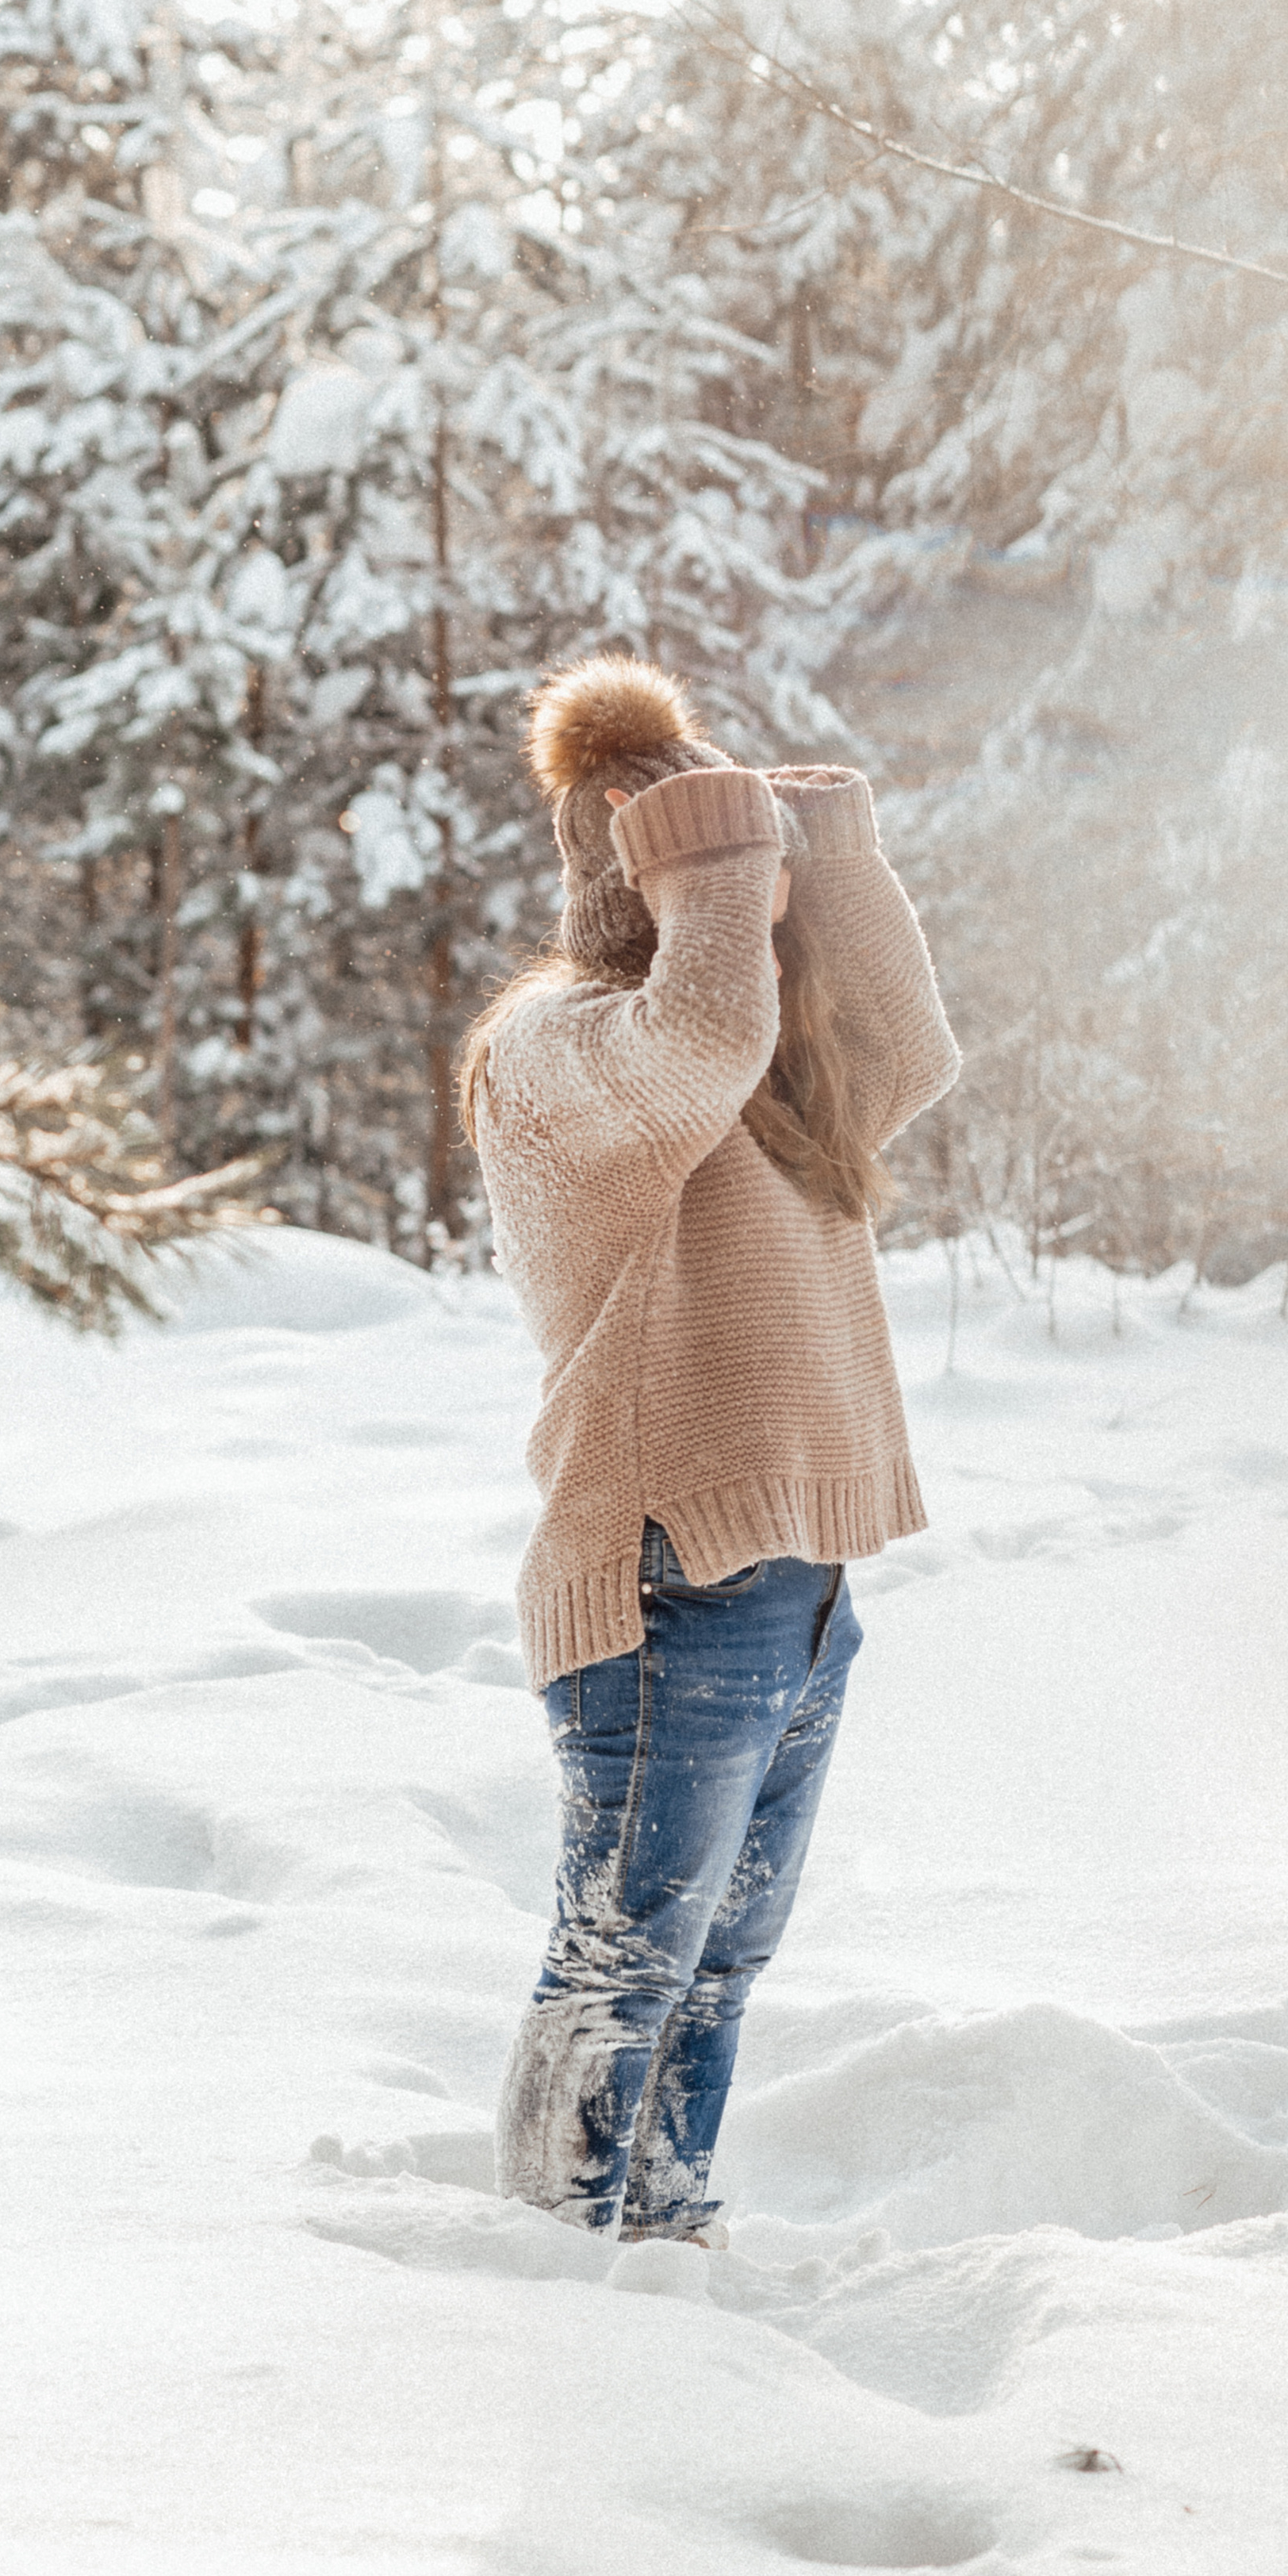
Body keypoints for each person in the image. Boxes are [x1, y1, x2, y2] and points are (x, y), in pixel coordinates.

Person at [461, 654, 960, 2244]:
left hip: (799, 1585)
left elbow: (908, 1058)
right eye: (725, 864)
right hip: (665, 1574)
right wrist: (727, 866)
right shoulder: (557, 1049)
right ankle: (556, 2263)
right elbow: (693, 1037)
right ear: (655, 871)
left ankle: (663, 2245)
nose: (763, 895)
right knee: (623, 1965)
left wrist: (838, 853)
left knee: (721, 1964)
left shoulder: (763, 1070)